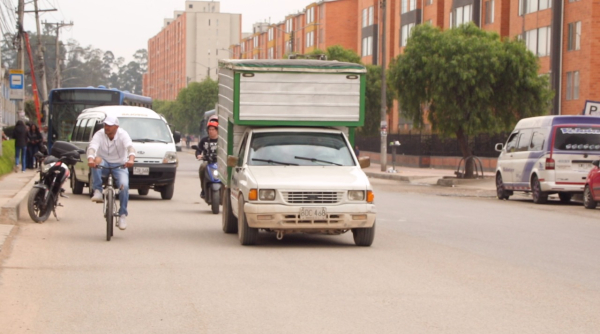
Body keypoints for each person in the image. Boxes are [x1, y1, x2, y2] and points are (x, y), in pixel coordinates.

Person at [87, 115, 136, 230]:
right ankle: (98, 190)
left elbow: (130, 148)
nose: (106, 127)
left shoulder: (123, 134)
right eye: (105, 124)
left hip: (120, 165)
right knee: (96, 161)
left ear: (116, 127)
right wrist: (90, 159)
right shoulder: (99, 134)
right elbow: (92, 147)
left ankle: (122, 215)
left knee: (124, 186)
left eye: (109, 125)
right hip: (104, 163)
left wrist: (131, 159)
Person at [195, 120, 218, 198]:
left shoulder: (222, 141)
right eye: (209, 129)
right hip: (208, 162)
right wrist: (198, 155)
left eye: (213, 129)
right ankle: (203, 189)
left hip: (219, 163)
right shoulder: (204, 140)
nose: (211, 131)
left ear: (217, 130)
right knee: (202, 167)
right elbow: (198, 150)